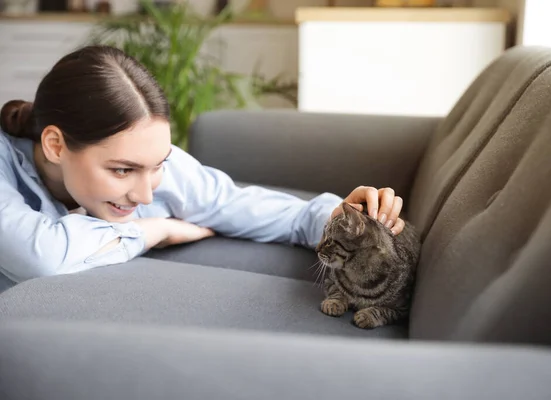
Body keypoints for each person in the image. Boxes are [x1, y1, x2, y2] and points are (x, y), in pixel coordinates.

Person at [0, 45, 405, 290]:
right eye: (122, 171)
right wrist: (155, 230)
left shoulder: (163, 171)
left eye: (157, 164)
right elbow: (42, 258)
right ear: (55, 145)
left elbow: (264, 211)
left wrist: (341, 218)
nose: (146, 194)